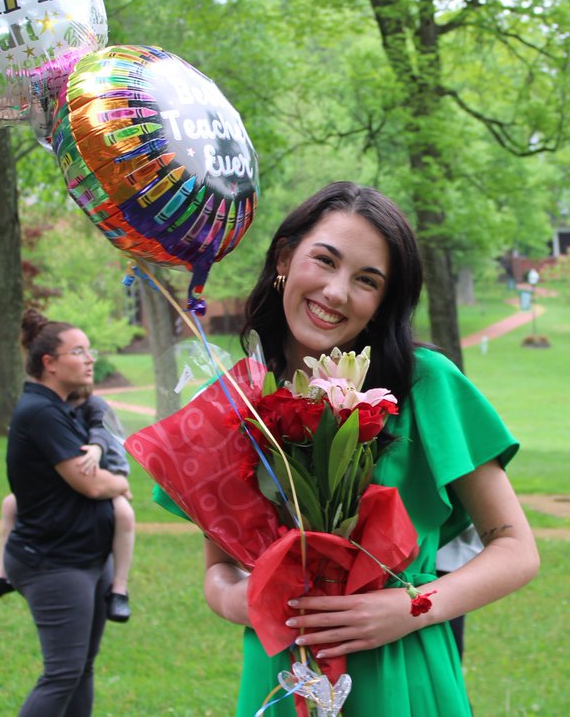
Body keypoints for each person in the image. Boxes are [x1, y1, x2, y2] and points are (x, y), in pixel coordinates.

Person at [194, 182, 540, 715]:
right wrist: (241, 600)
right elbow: (219, 571)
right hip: (282, 670)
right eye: (324, 261)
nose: (335, 292)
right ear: (286, 258)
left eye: (366, 281)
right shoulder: (236, 399)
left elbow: (516, 547)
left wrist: (411, 607)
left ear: (382, 303)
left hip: (401, 666)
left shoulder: (426, 384)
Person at [4, 310, 130, 716]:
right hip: (55, 563)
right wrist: (121, 485)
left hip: (87, 557)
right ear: (50, 363)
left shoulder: (62, 409)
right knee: (62, 673)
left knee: (81, 669)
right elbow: (92, 483)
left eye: (89, 350)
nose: (90, 358)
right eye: (78, 351)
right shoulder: (41, 413)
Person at [0, 384, 136, 623]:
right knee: (10, 504)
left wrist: (97, 448)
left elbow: (102, 431)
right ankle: (2, 575)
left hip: (108, 472)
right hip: (71, 480)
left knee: (124, 515)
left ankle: (119, 590)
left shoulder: (95, 405)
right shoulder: (51, 409)